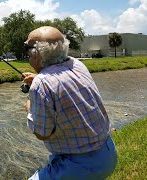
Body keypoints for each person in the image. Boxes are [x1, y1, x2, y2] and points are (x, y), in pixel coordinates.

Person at [22, 26, 117, 180]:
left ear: (36, 54)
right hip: (108, 154)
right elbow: (61, 79)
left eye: (27, 48)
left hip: (78, 165)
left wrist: (29, 103)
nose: (26, 53)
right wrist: (39, 78)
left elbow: (42, 133)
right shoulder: (77, 64)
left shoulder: (41, 83)